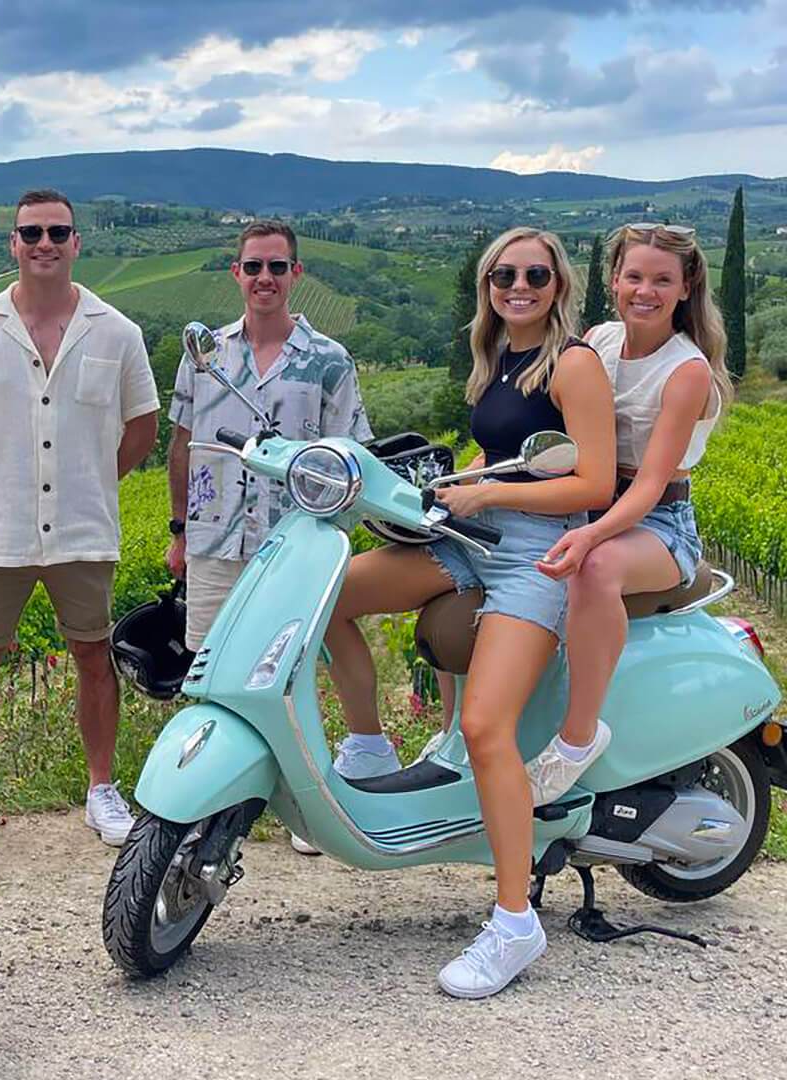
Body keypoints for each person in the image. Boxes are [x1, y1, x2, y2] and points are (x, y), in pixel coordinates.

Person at [321, 227, 616, 998]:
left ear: (559, 287)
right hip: (471, 534)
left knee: (485, 727)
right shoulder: (495, 362)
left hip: (534, 554)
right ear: (486, 286)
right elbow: (506, 453)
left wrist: (490, 493)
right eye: (503, 275)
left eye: (536, 275)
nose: (519, 286)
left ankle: (514, 922)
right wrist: (458, 483)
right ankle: (369, 750)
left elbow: (592, 485)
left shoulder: (574, 363)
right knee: (327, 596)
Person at [0, 189, 159, 848]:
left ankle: (100, 787)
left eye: (57, 232)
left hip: (84, 525)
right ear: (14, 243)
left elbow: (142, 426)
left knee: (92, 654)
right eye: (31, 233)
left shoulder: (118, 332)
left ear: (77, 242)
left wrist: (92, 478)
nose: (44, 244)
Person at [162, 220, 375, 854]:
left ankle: (295, 802)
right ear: (236, 273)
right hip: (213, 537)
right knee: (203, 670)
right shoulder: (206, 354)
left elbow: (351, 459)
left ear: (295, 275)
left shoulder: (329, 360)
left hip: (293, 546)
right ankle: (203, 801)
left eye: (277, 267)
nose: (264, 279)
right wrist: (178, 529)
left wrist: (333, 542)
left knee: (287, 676)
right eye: (254, 266)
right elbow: (183, 443)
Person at [529, 223, 730, 803]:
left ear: (686, 287)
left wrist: (589, 535)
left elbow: (647, 488)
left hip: (659, 522)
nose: (645, 290)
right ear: (614, 280)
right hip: (590, 502)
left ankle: (576, 739)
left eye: (662, 280)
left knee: (595, 570)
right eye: (634, 276)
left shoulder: (686, 371)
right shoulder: (600, 339)